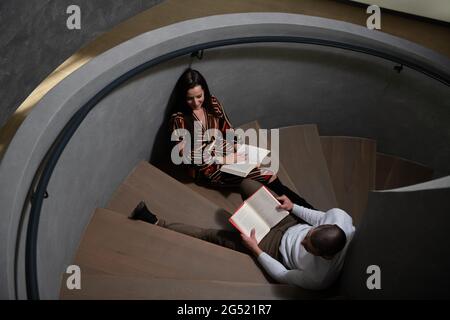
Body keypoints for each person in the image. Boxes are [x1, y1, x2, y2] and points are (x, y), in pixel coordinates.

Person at [129, 179, 355, 290]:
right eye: (310, 236)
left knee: (212, 235)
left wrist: (255, 248)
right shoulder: (340, 218)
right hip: (289, 221)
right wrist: (292, 207)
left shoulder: (319, 278)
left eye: (308, 247)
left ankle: (157, 223)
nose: (304, 242)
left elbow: (283, 275)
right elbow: (317, 217)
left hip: (272, 247)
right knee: (247, 185)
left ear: (324, 256)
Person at [168, 68, 309, 207]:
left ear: (204, 91)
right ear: (183, 97)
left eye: (199, 96)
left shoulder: (212, 103)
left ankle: (302, 208)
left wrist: (239, 149)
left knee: (263, 170)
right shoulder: (178, 119)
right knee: (266, 175)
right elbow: (184, 156)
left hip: (225, 149)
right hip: (206, 167)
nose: (196, 102)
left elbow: (227, 130)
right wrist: (223, 159)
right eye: (189, 98)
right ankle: (301, 208)